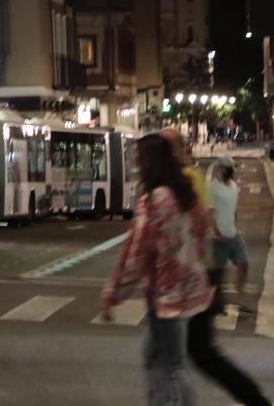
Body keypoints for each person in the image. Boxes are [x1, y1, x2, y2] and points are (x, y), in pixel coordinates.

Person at [160, 131, 271, 406]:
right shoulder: (180, 182)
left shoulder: (186, 182)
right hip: (190, 279)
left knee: (198, 355)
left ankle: (255, 400)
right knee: (186, 356)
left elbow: (193, 226)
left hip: (196, 277)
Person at [102, 133, 212, 406]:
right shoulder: (186, 194)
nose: (137, 165)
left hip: (166, 296)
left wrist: (114, 293)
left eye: (139, 159)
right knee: (157, 356)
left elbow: (136, 254)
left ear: (149, 163)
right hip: (190, 291)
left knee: (170, 366)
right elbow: (204, 235)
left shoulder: (154, 201)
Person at [210, 157, 253, 307]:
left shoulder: (234, 186)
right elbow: (209, 213)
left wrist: (235, 227)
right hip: (218, 237)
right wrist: (217, 234)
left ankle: (239, 300)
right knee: (219, 274)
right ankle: (216, 303)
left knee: (244, 264)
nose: (232, 171)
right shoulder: (213, 187)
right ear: (222, 169)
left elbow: (234, 210)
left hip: (232, 234)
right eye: (229, 168)